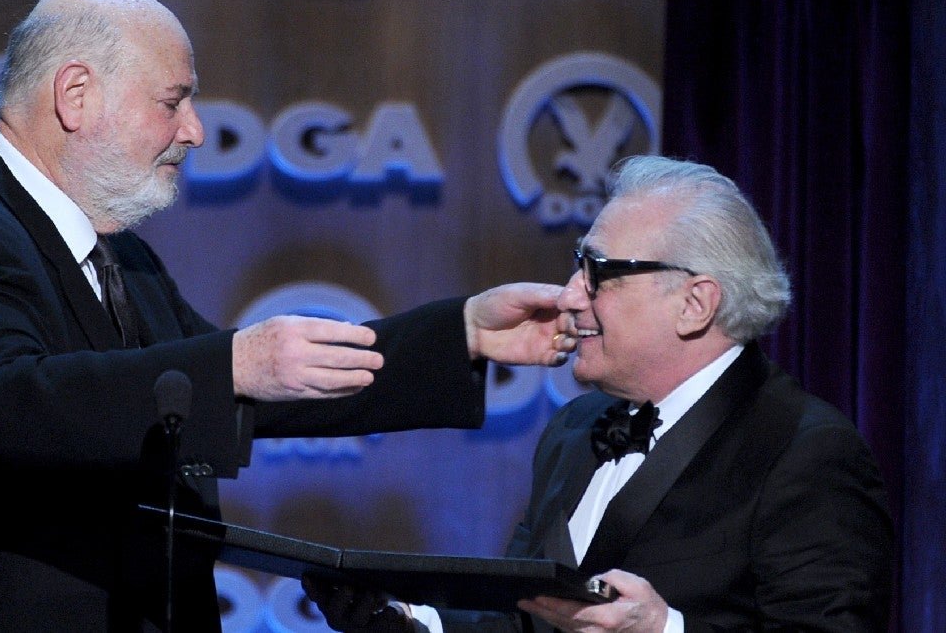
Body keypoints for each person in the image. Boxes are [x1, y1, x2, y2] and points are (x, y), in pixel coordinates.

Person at [0, 0, 576, 632]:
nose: (194, 130)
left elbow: (255, 383)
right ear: (75, 95)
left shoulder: (113, 246)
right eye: (173, 101)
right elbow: (6, 407)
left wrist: (460, 336)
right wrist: (235, 364)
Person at [305, 156, 893, 632]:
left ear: (695, 304)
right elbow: (523, 619)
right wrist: (413, 624)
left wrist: (664, 631)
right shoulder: (574, 428)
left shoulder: (806, 452)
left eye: (600, 273)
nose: (569, 296)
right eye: (577, 265)